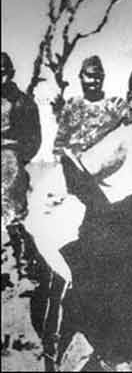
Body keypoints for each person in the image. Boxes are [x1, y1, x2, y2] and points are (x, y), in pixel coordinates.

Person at [26, 58, 132, 371]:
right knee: (126, 362)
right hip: (105, 277)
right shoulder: (119, 142)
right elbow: (49, 196)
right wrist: (66, 265)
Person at [1, 51, 41, 282]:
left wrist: (17, 159)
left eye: (4, 73)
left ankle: (23, 268)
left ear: (12, 73)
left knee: (14, 216)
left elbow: (34, 139)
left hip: (10, 162)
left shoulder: (23, 102)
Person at [53, 54, 129, 158]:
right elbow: (59, 142)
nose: (94, 81)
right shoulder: (72, 105)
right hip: (74, 166)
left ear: (103, 77)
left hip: (107, 165)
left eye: (98, 76)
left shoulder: (116, 105)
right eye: (89, 76)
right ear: (81, 77)